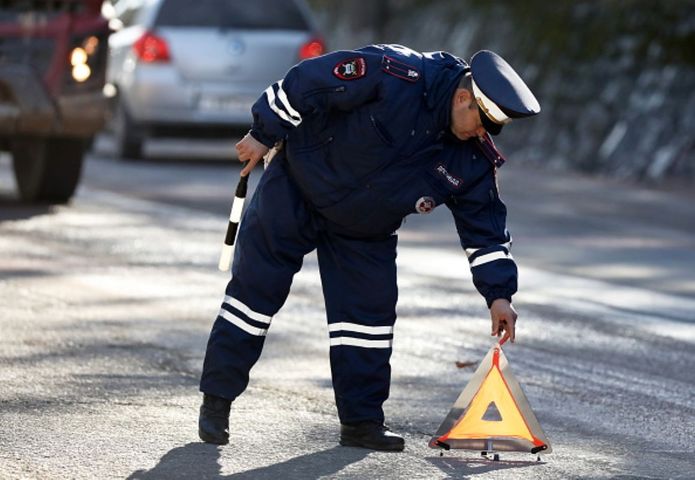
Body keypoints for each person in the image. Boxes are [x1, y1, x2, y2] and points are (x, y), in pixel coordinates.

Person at [198, 44, 540, 451]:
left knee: (368, 324)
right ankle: (217, 403)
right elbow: (308, 81)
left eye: (489, 128)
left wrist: (499, 295)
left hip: (365, 229)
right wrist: (263, 132)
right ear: (463, 97)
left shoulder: (472, 158)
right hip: (297, 188)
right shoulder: (395, 74)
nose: (481, 133)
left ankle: (361, 425)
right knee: (252, 299)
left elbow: (485, 231)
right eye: (480, 121)